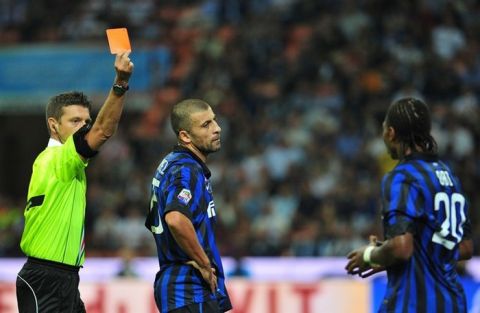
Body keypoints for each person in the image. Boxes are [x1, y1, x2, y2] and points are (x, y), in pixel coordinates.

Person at [16, 52, 134, 313]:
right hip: (44, 279)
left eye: (86, 121)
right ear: (53, 125)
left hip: (65, 279)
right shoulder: (57, 158)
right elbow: (102, 131)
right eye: (75, 121)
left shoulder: (69, 164)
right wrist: (121, 82)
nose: (83, 127)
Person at [345, 98, 474, 312]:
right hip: (452, 304)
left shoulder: (401, 176)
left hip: (412, 304)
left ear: (391, 133)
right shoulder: (448, 176)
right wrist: (387, 254)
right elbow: (465, 247)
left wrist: (369, 256)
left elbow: (401, 248)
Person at [145, 99, 232, 313]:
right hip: (189, 288)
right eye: (206, 125)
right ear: (185, 136)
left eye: (214, 120)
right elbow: (175, 218)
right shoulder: (186, 169)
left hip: (179, 287)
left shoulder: (172, 163)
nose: (217, 128)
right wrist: (203, 264)